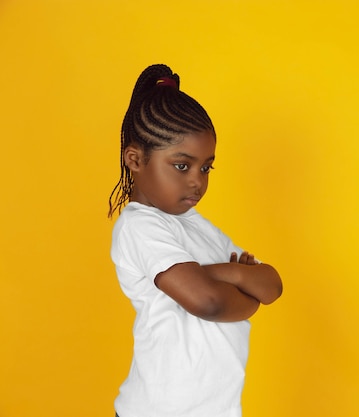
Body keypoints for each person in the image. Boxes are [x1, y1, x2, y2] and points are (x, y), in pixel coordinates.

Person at [108, 64, 283, 417]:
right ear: (135, 159)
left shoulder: (196, 225)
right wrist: (240, 285)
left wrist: (217, 276)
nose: (197, 182)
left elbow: (272, 286)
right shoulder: (139, 227)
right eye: (182, 166)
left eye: (206, 168)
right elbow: (209, 303)